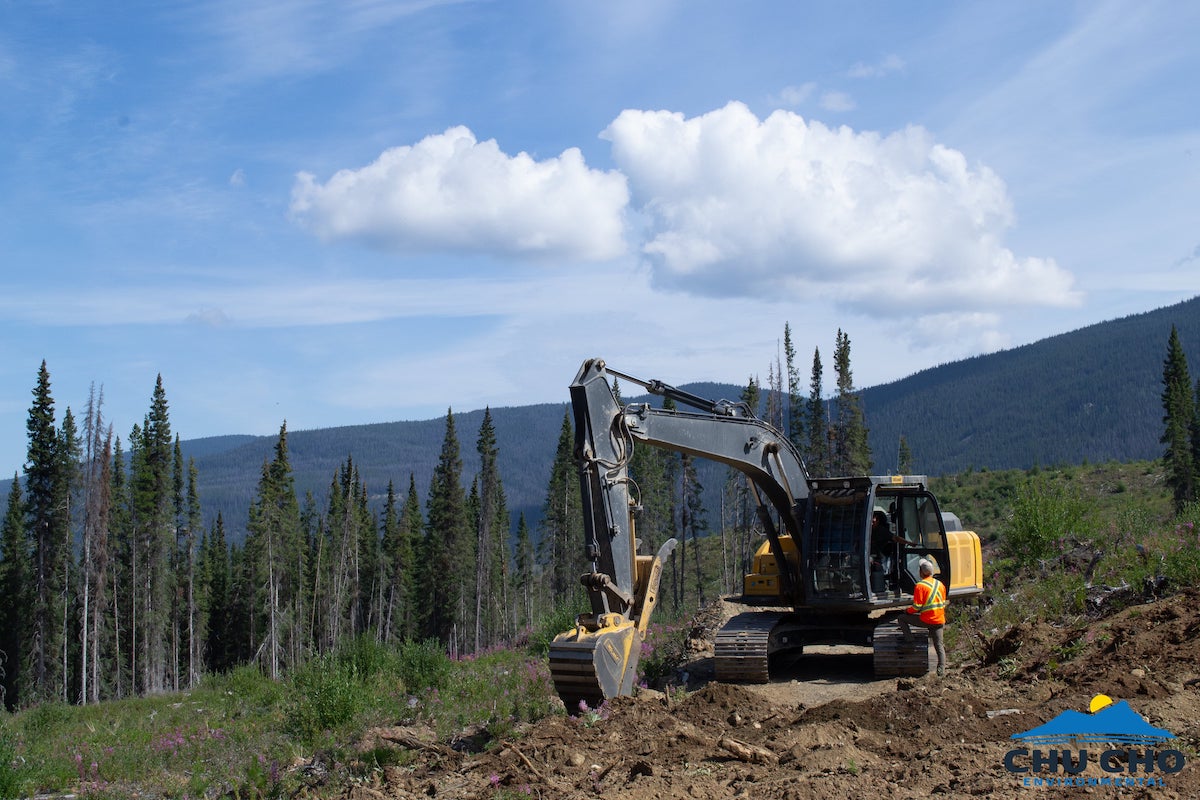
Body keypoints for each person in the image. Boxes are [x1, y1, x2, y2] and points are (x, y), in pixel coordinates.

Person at [898, 558, 948, 677]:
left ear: (921, 572)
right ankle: (941, 671)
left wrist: (907, 611)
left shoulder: (920, 586)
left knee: (901, 618)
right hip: (939, 620)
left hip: (926, 620)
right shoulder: (940, 585)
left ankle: (910, 641)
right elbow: (943, 601)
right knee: (939, 646)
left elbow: (917, 607)